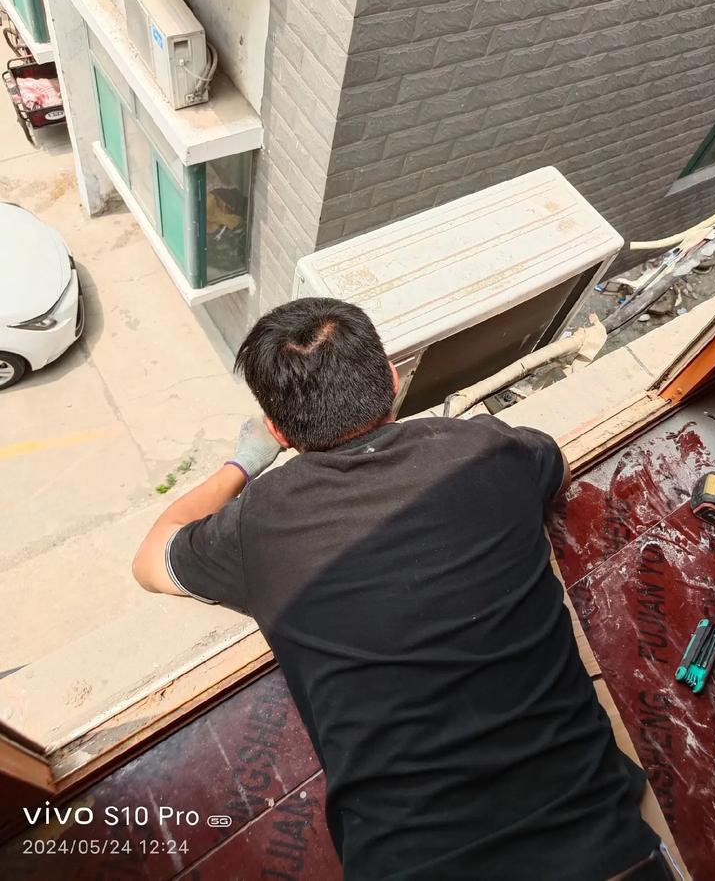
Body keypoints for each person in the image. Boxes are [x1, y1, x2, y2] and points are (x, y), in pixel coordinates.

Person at [133, 297, 665, 880]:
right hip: (611, 848)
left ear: (279, 431)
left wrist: (242, 463)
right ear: (391, 379)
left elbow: (150, 560)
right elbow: (552, 465)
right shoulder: (487, 449)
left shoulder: (256, 525)